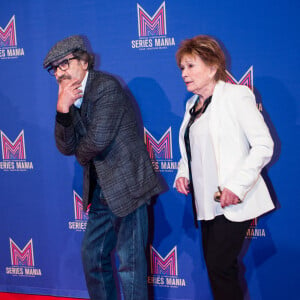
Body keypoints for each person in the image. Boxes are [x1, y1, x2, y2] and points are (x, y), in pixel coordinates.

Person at [43, 35, 163, 300]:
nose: (59, 72)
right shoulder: (68, 96)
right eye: (55, 68)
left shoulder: (106, 87)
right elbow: (65, 146)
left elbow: (97, 139)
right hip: (100, 193)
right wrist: (62, 110)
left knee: (130, 266)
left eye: (64, 64)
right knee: (92, 257)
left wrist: (79, 155)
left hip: (128, 187)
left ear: (84, 62)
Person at [174, 35, 274, 300]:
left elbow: (264, 145)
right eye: (182, 68)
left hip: (234, 201)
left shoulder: (236, 95)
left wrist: (236, 186)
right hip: (206, 204)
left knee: (220, 266)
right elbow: (191, 150)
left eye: (191, 66)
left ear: (213, 66)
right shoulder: (192, 106)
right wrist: (183, 172)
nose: (184, 73)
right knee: (218, 269)